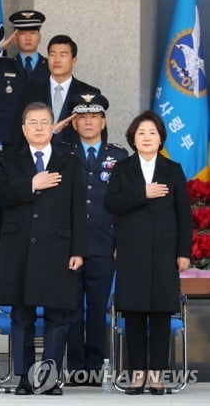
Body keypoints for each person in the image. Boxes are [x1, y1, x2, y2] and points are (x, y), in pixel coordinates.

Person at [0, 102, 86, 396]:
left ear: (53, 126)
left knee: (58, 317)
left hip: (57, 247)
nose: (40, 128)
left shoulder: (68, 160)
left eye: (45, 122)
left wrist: (78, 250)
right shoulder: (8, 158)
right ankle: (23, 377)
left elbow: (78, 208)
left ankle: (50, 378)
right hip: (19, 248)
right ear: (23, 128)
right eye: (33, 123)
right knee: (22, 316)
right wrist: (31, 183)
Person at [104, 110, 192, 395]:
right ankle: (137, 374)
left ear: (160, 138)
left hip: (165, 253)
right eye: (141, 133)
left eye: (152, 133)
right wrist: (144, 193)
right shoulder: (122, 168)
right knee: (134, 313)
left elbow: (183, 214)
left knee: (160, 314)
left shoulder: (173, 169)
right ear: (133, 137)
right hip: (131, 252)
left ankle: (157, 375)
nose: (146, 137)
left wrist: (183, 252)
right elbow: (111, 204)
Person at [59, 93, 128, 386]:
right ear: (74, 123)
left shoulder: (120, 156)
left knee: (98, 310)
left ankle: (96, 367)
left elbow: (126, 205)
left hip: (104, 244)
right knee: (71, 310)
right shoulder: (61, 153)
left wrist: (120, 244)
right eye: (82, 117)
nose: (88, 121)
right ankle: (76, 369)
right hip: (69, 246)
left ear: (103, 121)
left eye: (94, 116)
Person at [0, 10, 48, 148]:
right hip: (10, 135)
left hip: (40, 133)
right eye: (22, 34)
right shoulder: (4, 65)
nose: (28, 38)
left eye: (33, 33)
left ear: (39, 38)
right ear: (15, 39)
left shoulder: (49, 66)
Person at [23, 35, 100, 145]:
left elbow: (98, 134)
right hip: (38, 155)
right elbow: (20, 128)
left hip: (75, 158)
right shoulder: (30, 90)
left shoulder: (89, 93)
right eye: (52, 55)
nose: (57, 60)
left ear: (74, 60)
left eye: (63, 55)